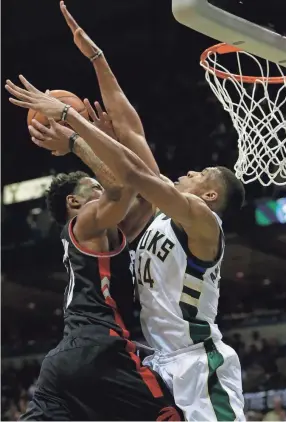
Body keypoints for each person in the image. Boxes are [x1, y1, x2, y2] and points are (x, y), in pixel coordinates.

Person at [6, 66, 246, 421]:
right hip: (157, 363)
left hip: (198, 362)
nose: (190, 172)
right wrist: (97, 58)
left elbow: (130, 177)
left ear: (210, 195)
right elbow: (132, 131)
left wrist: (72, 124)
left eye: (200, 175)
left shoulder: (203, 220)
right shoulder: (157, 216)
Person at [5, 38, 182, 422]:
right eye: (92, 189)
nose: (100, 189)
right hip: (101, 350)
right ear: (73, 202)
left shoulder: (102, 229)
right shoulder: (84, 223)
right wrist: (77, 140)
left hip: (63, 363)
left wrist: (107, 141)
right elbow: (122, 188)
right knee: (172, 415)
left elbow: (142, 194)